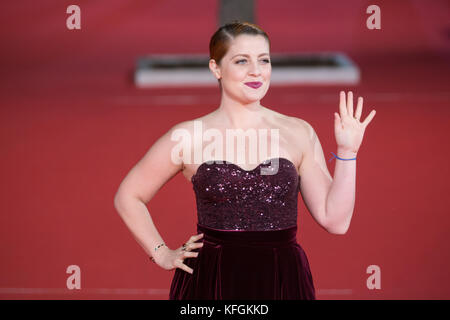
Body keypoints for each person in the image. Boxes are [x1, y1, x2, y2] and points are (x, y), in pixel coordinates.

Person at [113, 21, 376, 300]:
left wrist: (347, 152)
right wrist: (161, 253)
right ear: (216, 68)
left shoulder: (298, 133)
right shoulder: (188, 136)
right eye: (242, 61)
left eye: (264, 60)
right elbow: (129, 195)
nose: (256, 71)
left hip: (282, 279)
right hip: (210, 280)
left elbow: (335, 220)